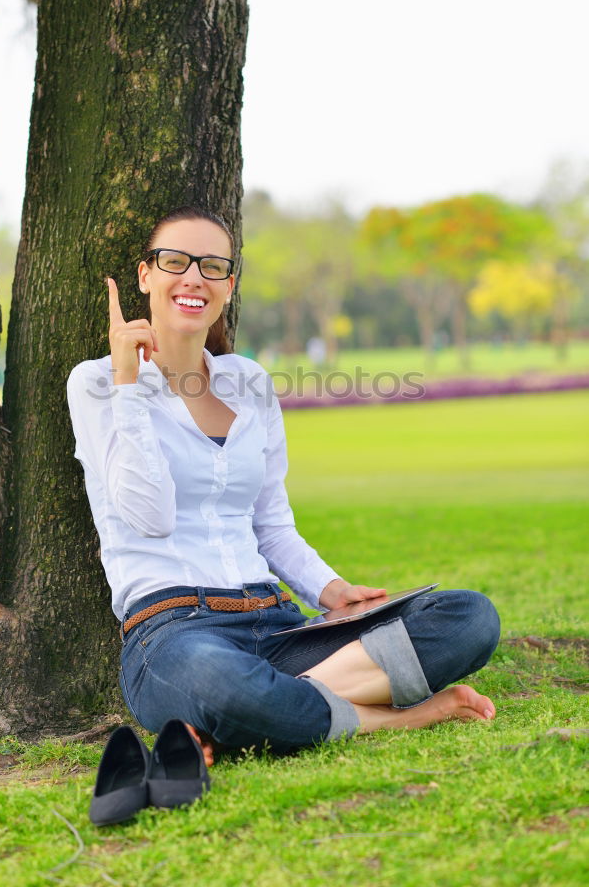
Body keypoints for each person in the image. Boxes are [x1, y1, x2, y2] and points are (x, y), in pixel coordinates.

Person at [66, 205, 500, 764]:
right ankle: (401, 716)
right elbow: (150, 517)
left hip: (276, 625)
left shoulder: (248, 381)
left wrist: (330, 590)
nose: (194, 276)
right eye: (175, 261)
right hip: (175, 633)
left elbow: (270, 523)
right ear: (146, 275)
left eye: (213, 266)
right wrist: (129, 383)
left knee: (468, 619)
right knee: (224, 685)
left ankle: (245, 722)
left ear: (228, 284)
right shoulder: (98, 382)